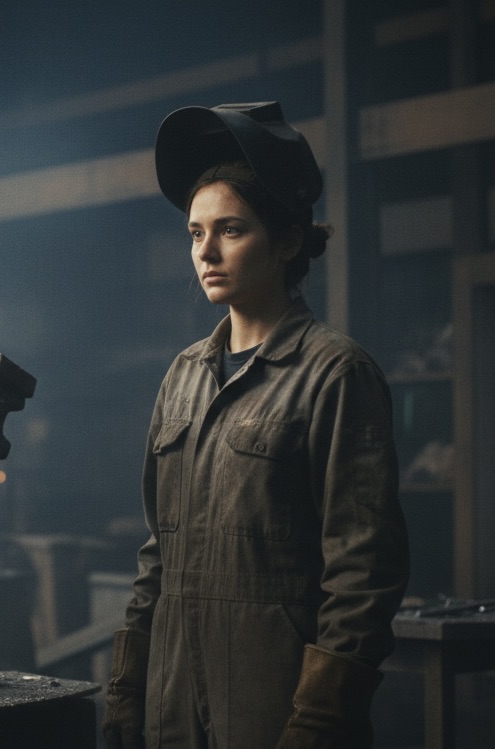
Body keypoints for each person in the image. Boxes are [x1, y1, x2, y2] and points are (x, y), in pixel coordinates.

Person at [102, 102, 410, 749]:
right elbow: (158, 551)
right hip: (173, 715)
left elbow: (363, 571)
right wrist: (127, 691)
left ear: (288, 240)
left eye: (231, 230)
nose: (205, 251)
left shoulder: (334, 374)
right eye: (194, 233)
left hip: (276, 719)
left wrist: (318, 722)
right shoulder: (183, 376)